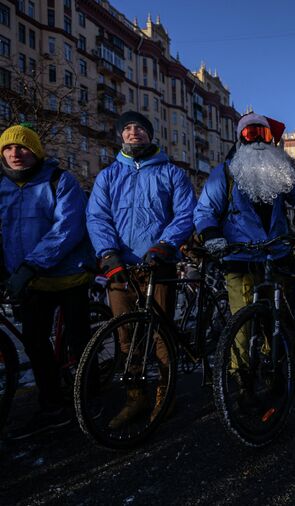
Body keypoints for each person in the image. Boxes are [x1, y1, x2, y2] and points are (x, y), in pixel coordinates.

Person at [194, 112, 295, 392]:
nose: (258, 141)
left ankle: (273, 363)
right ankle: (241, 379)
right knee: (242, 325)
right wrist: (211, 234)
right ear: (241, 138)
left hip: (275, 255)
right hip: (240, 257)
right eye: (251, 134)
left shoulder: (279, 171)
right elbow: (204, 210)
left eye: (263, 135)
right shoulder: (226, 172)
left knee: (275, 318)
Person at [87, 111, 196, 428]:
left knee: (161, 334)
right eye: (128, 128)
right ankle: (136, 397)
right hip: (120, 269)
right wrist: (108, 254)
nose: (134, 132)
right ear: (120, 135)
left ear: (150, 135)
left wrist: (164, 245)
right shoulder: (108, 176)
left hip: (157, 265)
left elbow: (184, 214)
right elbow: (97, 218)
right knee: (125, 336)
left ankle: (166, 392)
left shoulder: (171, 173)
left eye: (140, 128)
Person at [0, 124, 93, 439]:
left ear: (36, 151)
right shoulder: (3, 187)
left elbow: (67, 227)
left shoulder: (60, 180)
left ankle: (88, 399)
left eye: (22, 147)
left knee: (79, 342)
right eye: (8, 148)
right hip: (31, 280)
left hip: (68, 275)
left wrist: (30, 265)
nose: (15, 153)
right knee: (35, 344)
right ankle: (52, 406)